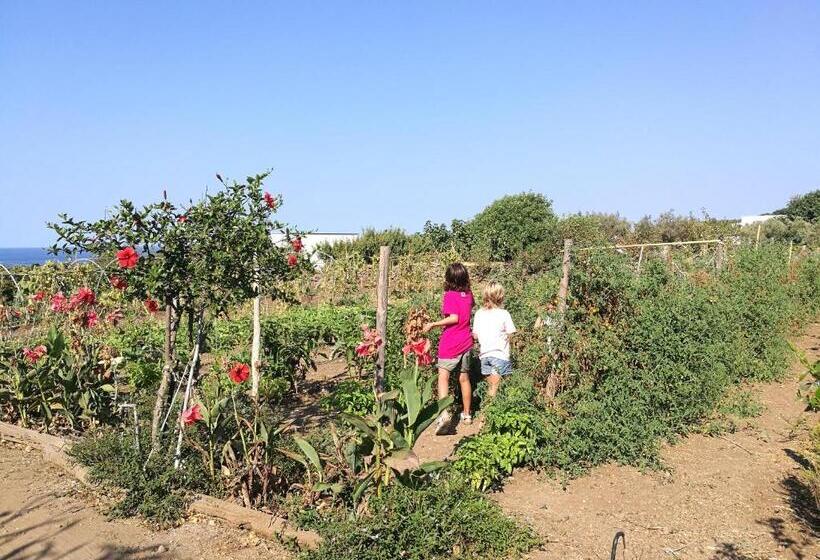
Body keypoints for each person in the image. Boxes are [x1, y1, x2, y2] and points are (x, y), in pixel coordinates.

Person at [423, 262, 474, 434]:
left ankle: (444, 414)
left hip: (451, 342)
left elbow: (454, 318)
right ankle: (467, 414)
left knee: (443, 377)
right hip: (466, 341)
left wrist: (434, 324)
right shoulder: (468, 294)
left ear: (449, 278)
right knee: (464, 379)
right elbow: (466, 314)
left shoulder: (450, 295)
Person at [472, 281, 517, 399]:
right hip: (500, 355)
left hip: (485, 356)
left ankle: (489, 412)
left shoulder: (479, 313)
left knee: (491, 388)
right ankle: (488, 414)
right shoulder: (504, 314)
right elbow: (511, 333)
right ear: (500, 296)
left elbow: (475, 335)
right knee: (494, 391)